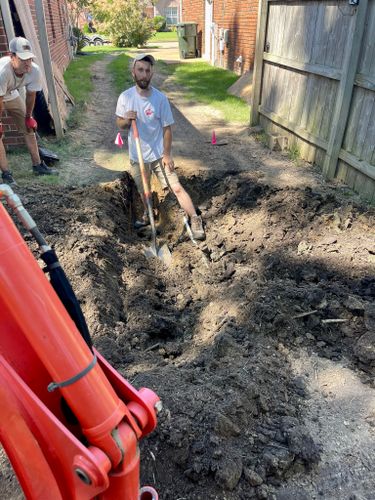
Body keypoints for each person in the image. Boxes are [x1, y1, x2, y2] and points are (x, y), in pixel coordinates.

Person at [115, 53, 205, 241]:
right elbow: (120, 125)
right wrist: (126, 119)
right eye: (140, 70)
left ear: (151, 74)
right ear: (134, 72)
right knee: (143, 189)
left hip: (158, 156)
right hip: (137, 155)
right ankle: (148, 214)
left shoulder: (160, 99)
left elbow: (167, 130)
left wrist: (167, 155)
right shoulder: (125, 97)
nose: (144, 74)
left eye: (148, 71)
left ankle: (195, 219)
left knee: (176, 188)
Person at [0, 36, 57, 185]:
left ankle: (37, 166)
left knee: (28, 127)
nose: (27, 63)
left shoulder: (34, 71)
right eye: (23, 59)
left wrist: (28, 116)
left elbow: (31, 95)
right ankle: (6, 174)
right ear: (12, 57)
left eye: (29, 58)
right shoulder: (2, 72)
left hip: (10, 93)